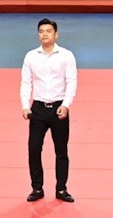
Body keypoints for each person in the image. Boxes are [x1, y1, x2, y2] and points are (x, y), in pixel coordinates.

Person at [19, 17, 77, 203]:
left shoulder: (67, 55)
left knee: (61, 151)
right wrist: (25, 106)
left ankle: (61, 189)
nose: (44, 34)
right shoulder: (30, 56)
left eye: (48, 31)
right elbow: (25, 83)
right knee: (33, 149)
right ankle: (37, 188)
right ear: (38, 35)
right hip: (38, 109)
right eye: (41, 31)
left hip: (59, 109)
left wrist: (66, 105)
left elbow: (71, 82)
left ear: (56, 34)